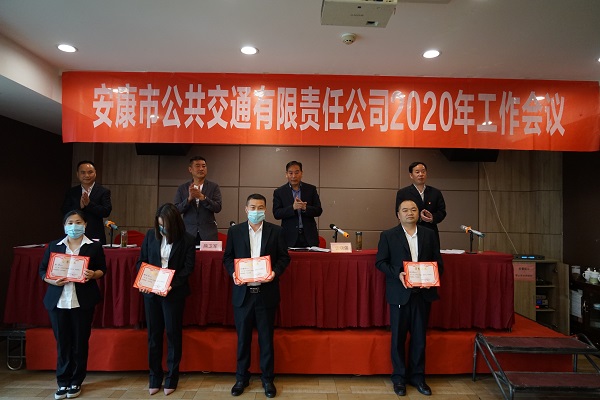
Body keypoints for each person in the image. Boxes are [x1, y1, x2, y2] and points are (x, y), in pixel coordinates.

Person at [223, 193, 291, 398]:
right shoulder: (235, 231)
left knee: (266, 340)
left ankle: (267, 380)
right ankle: (241, 379)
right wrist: (233, 273)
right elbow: (227, 258)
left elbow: (284, 258)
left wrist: (274, 273)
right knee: (243, 340)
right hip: (243, 295)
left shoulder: (276, 231)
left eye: (260, 208)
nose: (256, 211)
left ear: (265, 210)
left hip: (266, 293)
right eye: (252, 208)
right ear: (246, 210)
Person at [375, 199, 444, 397]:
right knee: (398, 338)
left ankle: (418, 377)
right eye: (405, 210)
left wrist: (432, 277)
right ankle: (399, 378)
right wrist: (398, 273)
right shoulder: (388, 235)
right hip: (400, 293)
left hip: (423, 293)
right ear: (398, 215)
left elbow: (438, 262)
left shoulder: (429, 234)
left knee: (419, 338)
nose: (409, 213)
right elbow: (380, 262)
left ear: (418, 213)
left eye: (413, 209)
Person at [38, 210, 106, 400]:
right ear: (64, 225)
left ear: (85, 225)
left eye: (78, 222)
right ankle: (62, 382)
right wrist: (51, 280)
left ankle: (76, 381)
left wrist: (93, 274)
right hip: (58, 301)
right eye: (70, 223)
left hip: (82, 300)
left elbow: (103, 269)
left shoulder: (94, 246)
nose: (74, 226)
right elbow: (42, 270)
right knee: (63, 343)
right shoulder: (54, 246)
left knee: (80, 342)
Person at [136, 203, 195, 396]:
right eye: (160, 225)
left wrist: (172, 284)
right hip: (151, 294)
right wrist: (143, 279)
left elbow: (188, 268)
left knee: (172, 334)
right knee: (154, 336)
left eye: (166, 225)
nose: (163, 229)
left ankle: (172, 377)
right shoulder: (150, 236)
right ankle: (154, 377)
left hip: (173, 294)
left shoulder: (187, 240)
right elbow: (141, 262)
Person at [395, 161, 446, 246]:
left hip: (431, 231)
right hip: (409, 231)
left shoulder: (435, 192)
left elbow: (442, 212)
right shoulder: (403, 193)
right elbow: (399, 213)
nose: (421, 174)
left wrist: (432, 218)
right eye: (417, 172)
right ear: (411, 175)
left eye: (423, 171)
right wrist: (419, 217)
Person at [273, 161, 323, 248]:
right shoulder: (279, 192)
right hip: (289, 236)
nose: (294, 176)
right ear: (286, 174)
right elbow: (276, 213)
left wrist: (305, 208)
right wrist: (292, 208)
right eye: (290, 173)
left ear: (301, 173)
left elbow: (319, 210)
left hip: (309, 236)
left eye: (296, 173)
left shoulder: (311, 189)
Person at [174, 156, 222, 244]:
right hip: (188, 232)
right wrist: (189, 199)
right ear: (190, 169)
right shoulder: (182, 188)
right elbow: (176, 210)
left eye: (204, 166)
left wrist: (203, 198)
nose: (201, 169)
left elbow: (218, 207)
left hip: (208, 233)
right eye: (197, 166)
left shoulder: (213, 187)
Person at [61, 161, 112, 245]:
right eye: (83, 172)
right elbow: (65, 210)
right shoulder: (71, 192)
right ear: (77, 174)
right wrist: (79, 206)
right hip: (74, 234)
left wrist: (89, 204)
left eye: (90, 172)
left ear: (95, 173)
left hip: (95, 234)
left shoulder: (103, 191)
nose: (87, 175)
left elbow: (106, 211)